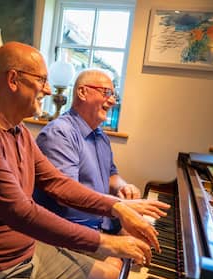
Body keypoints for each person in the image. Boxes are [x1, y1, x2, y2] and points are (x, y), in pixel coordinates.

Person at [0, 41, 170, 279]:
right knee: (113, 270)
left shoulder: (19, 131)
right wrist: (105, 242)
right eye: (42, 80)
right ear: (13, 79)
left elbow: (58, 182)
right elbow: (20, 213)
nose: (48, 89)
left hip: (25, 254)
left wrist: (117, 208)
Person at [35, 69, 144, 237]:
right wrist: (119, 205)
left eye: (114, 95)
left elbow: (111, 175)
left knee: (147, 243)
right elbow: (67, 195)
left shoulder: (101, 136)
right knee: (124, 259)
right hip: (73, 233)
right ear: (83, 92)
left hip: (104, 223)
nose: (113, 101)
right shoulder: (59, 134)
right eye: (107, 92)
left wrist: (123, 186)